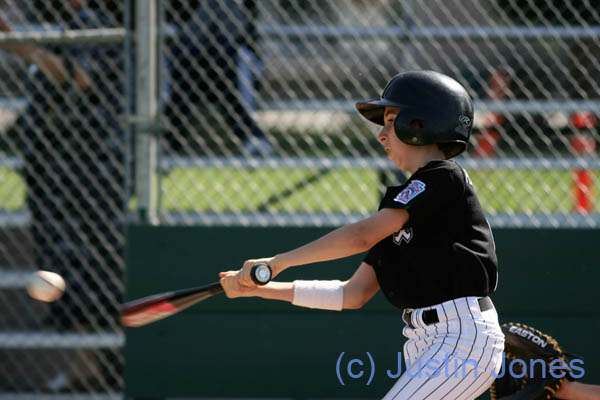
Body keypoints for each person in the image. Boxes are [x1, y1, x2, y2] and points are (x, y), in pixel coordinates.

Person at [219, 70, 505, 399]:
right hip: (429, 342)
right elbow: (351, 294)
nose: (381, 135)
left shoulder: (444, 176)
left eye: (391, 122)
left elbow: (360, 237)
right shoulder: (401, 209)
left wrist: (277, 263)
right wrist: (260, 289)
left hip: (461, 339)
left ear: (418, 124)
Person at [0, 0, 125, 333]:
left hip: (87, 160)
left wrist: (15, 43)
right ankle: (69, 327)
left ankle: (97, 335)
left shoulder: (92, 21)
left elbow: (79, 77)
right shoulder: (53, 25)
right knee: (54, 247)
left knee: (94, 250)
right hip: (51, 160)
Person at [164, 0, 273, 156]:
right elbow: (189, 33)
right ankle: (169, 140)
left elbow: (237, 32)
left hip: (229, 62)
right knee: (182, 60)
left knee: (231, 59)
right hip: (192, 61)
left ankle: (251, 137)